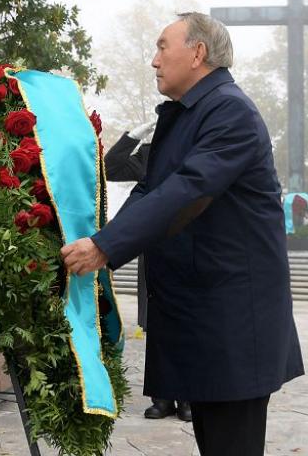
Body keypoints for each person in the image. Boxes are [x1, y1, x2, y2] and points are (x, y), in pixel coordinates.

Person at [61, 13, 304, 456]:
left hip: (233, 319)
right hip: (205, 314)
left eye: (162, 47)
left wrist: (104, 248)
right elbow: (150, 189)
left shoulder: (230, 110)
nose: (154, 60)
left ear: (198, 53)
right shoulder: (191, 113)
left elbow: (189, 188)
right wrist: (101, 241)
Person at [105, 121, 191, 422]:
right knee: (157, 329)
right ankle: (162, 398)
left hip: (190, 249)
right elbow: (111, 167)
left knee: (187, 328)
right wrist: (133, 137)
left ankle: (188, 397)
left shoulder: (196, 149)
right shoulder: (151, 154)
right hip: (155, 252)